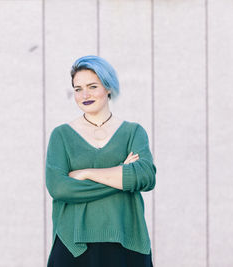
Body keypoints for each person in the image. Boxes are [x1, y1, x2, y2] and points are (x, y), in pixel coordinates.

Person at [45, 55, 156, 267]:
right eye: (78, 89)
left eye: (92, 86)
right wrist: (122, 176)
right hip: (74, 244)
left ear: (108, 87)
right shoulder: (61, 135)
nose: (84, 95)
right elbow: (59, 188)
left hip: (126, 240)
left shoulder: (133, 132)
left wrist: (86, 173)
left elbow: (146, 177)